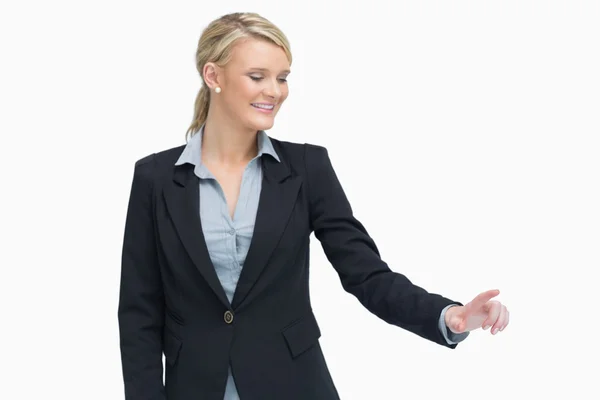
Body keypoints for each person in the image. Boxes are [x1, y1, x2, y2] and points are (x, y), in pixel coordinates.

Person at [118, 11, 510, 400]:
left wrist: (448, 316)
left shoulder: (307, 169)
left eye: (282, 77)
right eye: (258, 76)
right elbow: (139, 312)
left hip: (294, 385)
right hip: (194, 389)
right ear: (213, 76)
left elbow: (367, 275)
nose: (275, 90)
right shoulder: (156, 178)